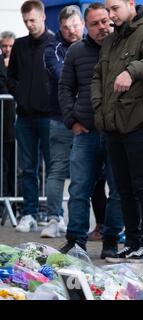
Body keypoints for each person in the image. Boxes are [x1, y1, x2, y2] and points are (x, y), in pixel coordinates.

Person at [92, 0, 143, 262]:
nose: (111, 15)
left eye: (115, 8)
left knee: (142, 185)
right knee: (123, 188)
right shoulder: (111, 39)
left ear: (131, 3)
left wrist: (131, 71)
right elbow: (97, 77)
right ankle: (132, 241)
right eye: (108, 9)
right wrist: (98, 107)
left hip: (141, 122)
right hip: (113, 124)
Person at [57, 2, 124, 259]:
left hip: (117, 132)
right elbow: (64, 88)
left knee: (117, 190)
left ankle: (111, 242)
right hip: (85, 132)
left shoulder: (122, 47)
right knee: (79, 188)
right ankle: (75, 241)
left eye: (105, 21)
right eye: (95, 23)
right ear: (86, 26)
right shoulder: (76, 51)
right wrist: (71, 121)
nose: (102, 27)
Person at [7, 0, 54, 233]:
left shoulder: (55, 42)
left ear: (43, 17)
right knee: (28, 169)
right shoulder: (19, 44)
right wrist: (21, 94)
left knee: (54, 169)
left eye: (33, 20)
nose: (29, 24)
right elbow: (11, 76)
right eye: (26, 21)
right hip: (24, 116)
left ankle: (56, 216)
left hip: (49, 116)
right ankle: (30, 214)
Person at [40, 5, 84, 238]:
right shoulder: (52, 48)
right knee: (57, 170)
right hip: (61, 119)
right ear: (60, 28)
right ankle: (54, 218)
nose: (71, 31)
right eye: (66, 27)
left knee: (85, 173)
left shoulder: (95, 45)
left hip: (91, 120)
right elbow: (61, 77)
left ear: (82, 24)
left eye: (75, 25)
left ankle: (82, 223)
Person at [0, 32, 16, 206]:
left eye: (10, 46)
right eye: (4, 46)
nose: (7, 49)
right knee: (3, 163)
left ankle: (14, 201)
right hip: (3, 123)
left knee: (16, 165)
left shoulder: (18, 63)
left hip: (16, 121)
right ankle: (3, 200)